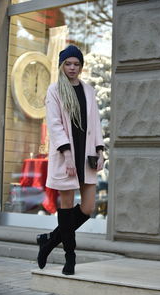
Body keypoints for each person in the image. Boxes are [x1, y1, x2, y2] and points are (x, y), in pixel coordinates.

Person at [36, 45, 104, 275]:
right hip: (67, 156)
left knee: (87, 208)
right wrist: (66, 156)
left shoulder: (89, 91)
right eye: (68, 63)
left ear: (81, 67)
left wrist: (100, 150)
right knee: (66, 207)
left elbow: (95, 123)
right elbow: (54, 125)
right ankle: (70, 258)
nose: (72, 68)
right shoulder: (54, 90)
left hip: (87, 156)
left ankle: (49, 241)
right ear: (62, 65)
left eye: (76, 64)